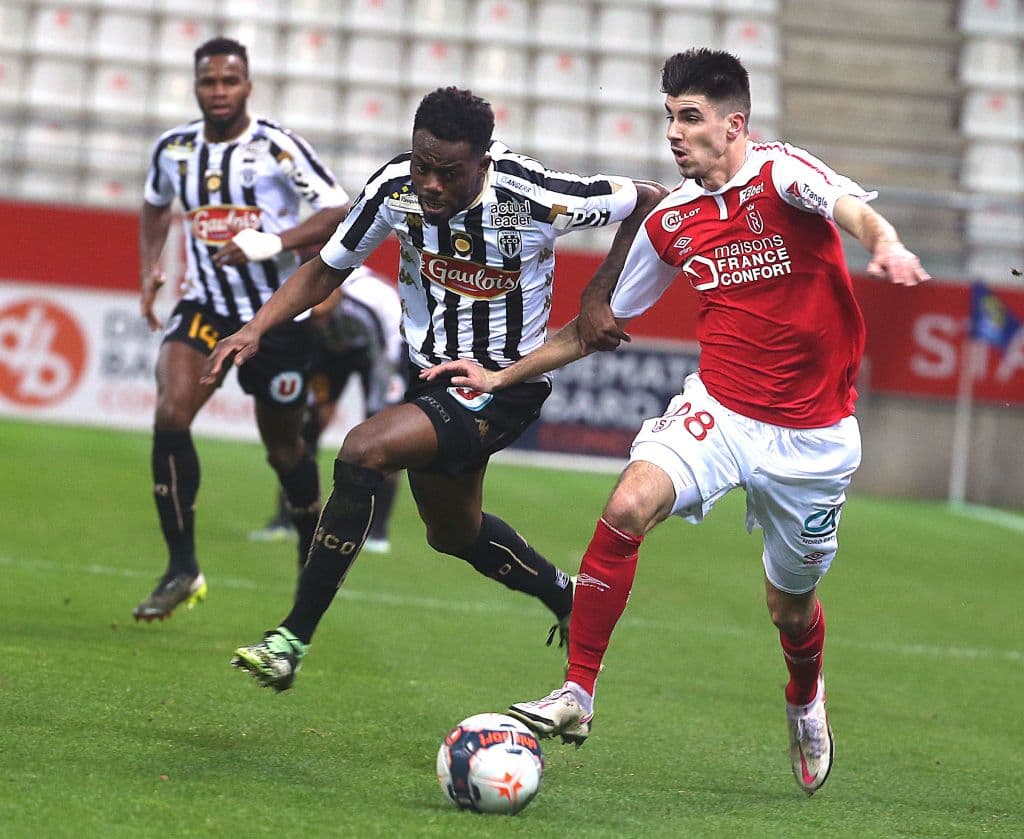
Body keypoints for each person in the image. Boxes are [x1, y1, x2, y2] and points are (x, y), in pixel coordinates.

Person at [421, 50, 930, 796]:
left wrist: (884, 242)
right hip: (719, 410)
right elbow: (596, 327)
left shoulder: (782, 175)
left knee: (790, 608)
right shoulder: (672, 221)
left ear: (734, 125)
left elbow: (847, 208)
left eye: (690, 118)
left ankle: (804, 694)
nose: (674, 132)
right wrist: (500, 376)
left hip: (813, 439)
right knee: (628, 503)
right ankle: (577, 690)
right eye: (669, 117)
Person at [202, 86, 666, 691]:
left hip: (505, 383)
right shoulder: (395, 187)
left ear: (482, 162)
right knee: (454, 533)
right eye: (423, 165)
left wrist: (599, 292)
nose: (430, 184)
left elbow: (647, 199)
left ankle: (291, 639)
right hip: (430, 376)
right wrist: (254, 328)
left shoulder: (532, 196)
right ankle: (565, 597)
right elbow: (325, 268)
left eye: (449, 173)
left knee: (362, 451)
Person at [132, 37, 351, 621]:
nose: (219, 91)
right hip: (203, 307)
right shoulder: (174, 150)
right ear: (196, 86)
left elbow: (340, 210)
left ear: (248, 86)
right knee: (171, 413)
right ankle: (182, 569)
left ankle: (311, 552)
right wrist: (150, 268)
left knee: (283, 449)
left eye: (230, 81)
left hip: (275, 317)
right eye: (209, 81)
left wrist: (274, 241)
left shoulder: (277, 146)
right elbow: (154, 205)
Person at [249, 264, 407, 554]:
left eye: (321, 315)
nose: (317, 320)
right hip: (334, 352)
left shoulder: (367, 305)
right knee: (306, 427)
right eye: (314, 317)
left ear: (335, 295)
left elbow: (387, 357)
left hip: (381, 352)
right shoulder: (309, 308)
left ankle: (377, 531)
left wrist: (380, 405)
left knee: (384, 436)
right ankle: (289, 517)